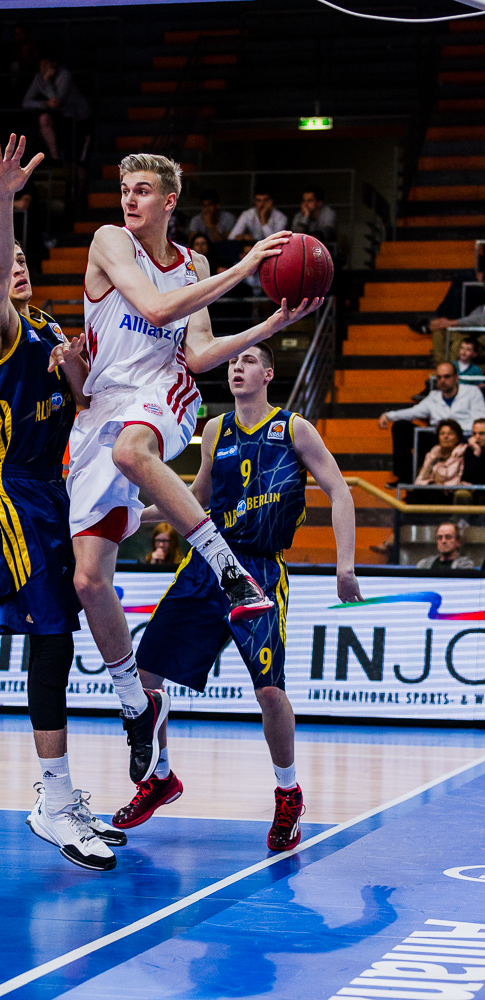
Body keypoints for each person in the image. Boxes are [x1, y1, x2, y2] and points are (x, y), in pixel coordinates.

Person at [64, 151, 322, 792]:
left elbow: (200, 354)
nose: (130, 199)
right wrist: (245, 269)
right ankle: (135, 702)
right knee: (90, 582)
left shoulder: (195, 265)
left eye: (143, 190)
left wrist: (270, 323)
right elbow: (153, 308)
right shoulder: (109, 242)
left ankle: (229, 572)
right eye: (125, 188)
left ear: (170, 201)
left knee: (134, 451)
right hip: (100, 408)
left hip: (162, 397)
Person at [111, 342, 362, 849]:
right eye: (232, 362)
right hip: (209, 563)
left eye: (248, 361)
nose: (237, 367)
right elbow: (198, 499)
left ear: (269, 373)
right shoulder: (215, 429)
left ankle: (288, 793)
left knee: (270, 691)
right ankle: (160, 776)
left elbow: (340, 490)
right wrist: (134, 514)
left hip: (262, 571)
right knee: (146, 671)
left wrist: (346, 563)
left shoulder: (293, 428)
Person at [0, 133, 124, 872]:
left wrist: (78, 368)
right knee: (52, 635)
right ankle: (53, 800)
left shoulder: (52, 331)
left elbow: (85, 403)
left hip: (54, 488)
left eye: (27, 261)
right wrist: (2, 200)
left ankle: (56, 791)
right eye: (9, 263)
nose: (17, 268)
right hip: (10, 488)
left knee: (60, 639)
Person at [378, 362, 485, 486]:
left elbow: (481, 419)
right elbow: (414, 411)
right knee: (401, 426)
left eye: (446, 376)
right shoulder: (433, 396)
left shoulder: (471, 392)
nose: (442, 380)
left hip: (464, 439)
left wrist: (461, 434)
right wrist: (388, 415)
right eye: (439, 377)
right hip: (438, 439)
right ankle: (404, 478)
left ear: (456, 378)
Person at [22, 56, 92, 165]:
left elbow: (56, 101)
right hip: (62, 117)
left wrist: (47, 81)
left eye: (46, 64)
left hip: (79, 118)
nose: (43, 67)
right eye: (41, 64)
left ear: (53, 64)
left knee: (79, 162)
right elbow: (26, 102)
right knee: (44, 119)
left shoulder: (64, 75)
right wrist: (44, 104)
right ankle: (56, 159)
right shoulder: (39, 78)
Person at [408, 418, 466, 504]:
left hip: (451, 493)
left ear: (457, 438)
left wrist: (442, 485)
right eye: (442, 434)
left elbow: (461, 481)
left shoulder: (463, 454)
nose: (445, 437)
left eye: (450, 434)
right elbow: (419, 480)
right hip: (432, 491)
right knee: (413, 495)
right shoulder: (432, 454)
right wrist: (432, 483)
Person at [291, 186, 337, 251]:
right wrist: (306, 217)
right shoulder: (299, 215)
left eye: (309, 201)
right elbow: (296, 236)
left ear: (319, 202)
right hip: (302, 249)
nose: (305, 205)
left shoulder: (328, 213)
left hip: (325, 250)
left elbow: (324, 235)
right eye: (304, 201)